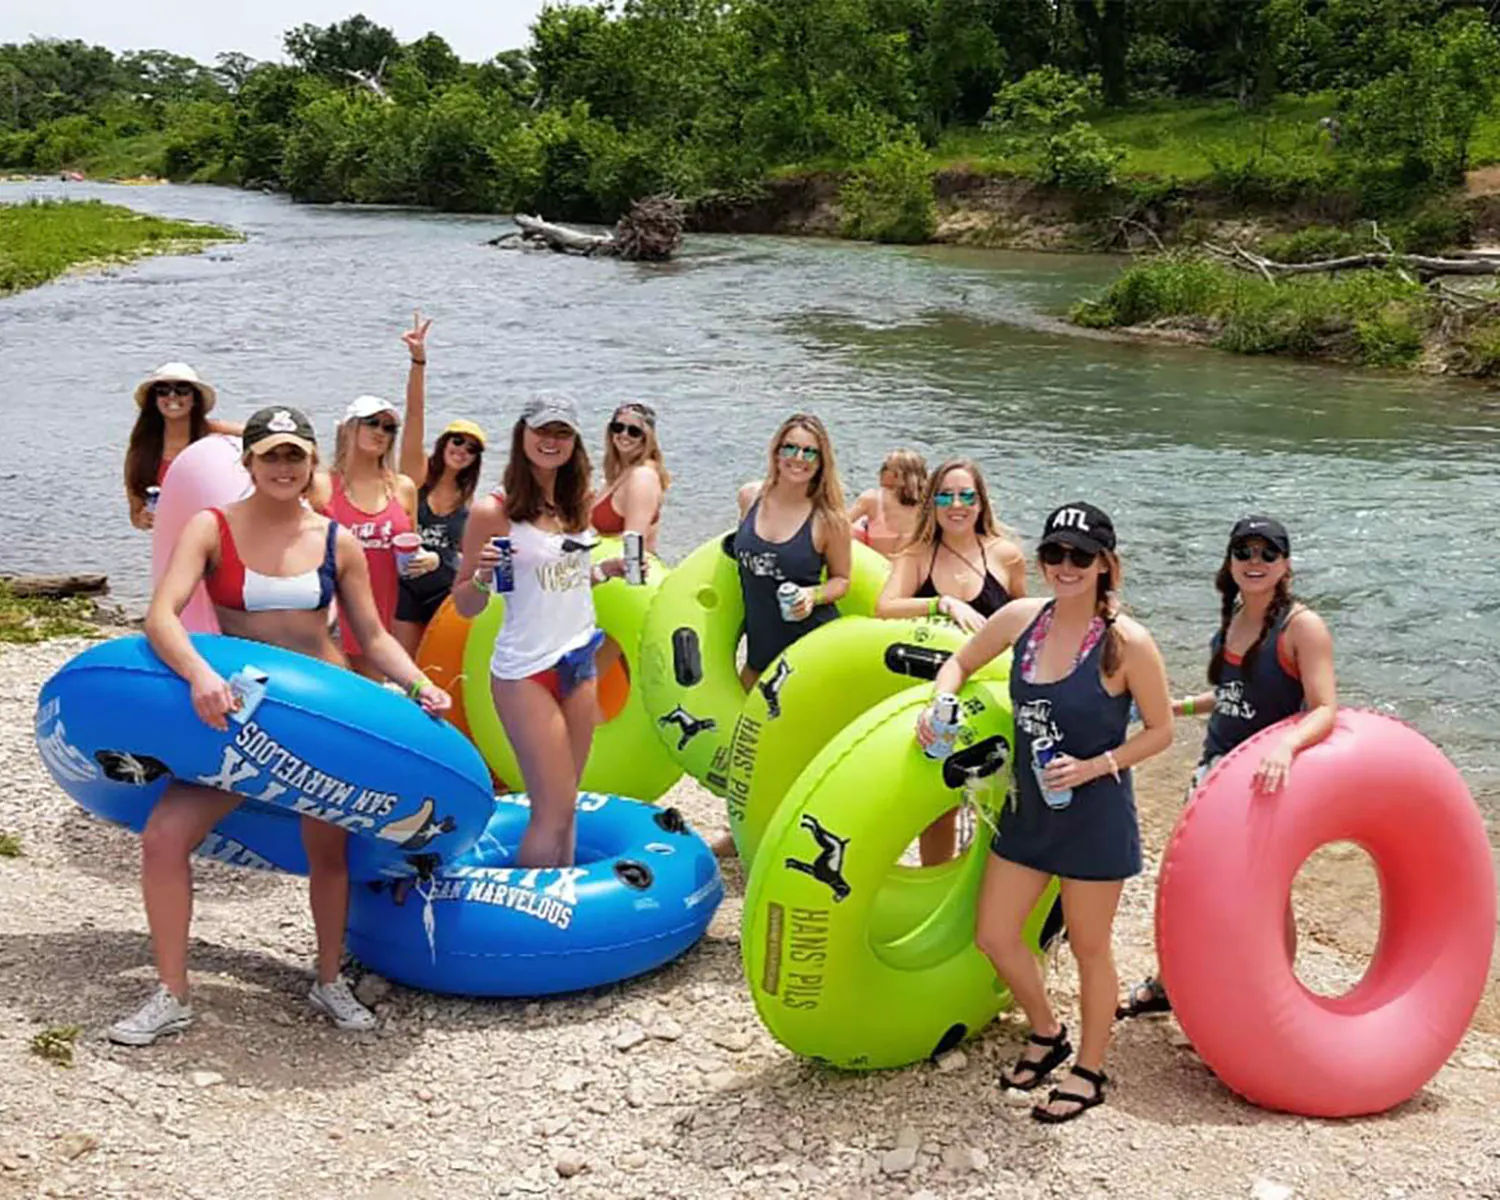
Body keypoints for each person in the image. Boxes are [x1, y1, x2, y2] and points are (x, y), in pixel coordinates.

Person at [111, 406, 451, 1046]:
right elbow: (161, 617)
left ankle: (328, 980)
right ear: (249, 462)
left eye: (295, 455)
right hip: (239, 714)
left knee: (329, 851)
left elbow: (372, 636)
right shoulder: (212, 530)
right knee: (164, 837)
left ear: (312, 462)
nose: (283, 467)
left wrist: (419, 683)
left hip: (323, 715)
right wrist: (198, 676)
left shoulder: (334, 540)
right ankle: (172, 993)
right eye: (271, 455)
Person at [918, 502, 1172, 1123]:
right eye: (1054, 554)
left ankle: (1089, 1070)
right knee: (995, 935)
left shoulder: (1126, 643)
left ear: (1106, 565)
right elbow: (959, 662)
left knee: (1090, 948)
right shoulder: (1020, 618)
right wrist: (941, 702)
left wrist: (1095, 766)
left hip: (1095, 816)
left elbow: (1162, 731)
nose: (1066, 567)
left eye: (1081, 557)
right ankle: (1046, 1029)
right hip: (1029, 812)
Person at [1116, 515, 1337, 1020]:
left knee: (1266, 890)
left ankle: (1276, 1004)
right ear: (1230, 560)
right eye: (1244, 552)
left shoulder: (1301, 627)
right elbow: (1237, 696)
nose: (1254, 562)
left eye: (1267, 553)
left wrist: (1285, 747)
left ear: (1285, 563)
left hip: (1266, 777)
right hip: (1215, 770)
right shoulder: (1236, 616)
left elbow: (1325, 707)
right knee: (1188, 879)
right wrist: (1180, 707)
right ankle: (1170, 982)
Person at [452, 395, 629, 868]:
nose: (551, 441)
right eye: (542, 431)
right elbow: (465, 605)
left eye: (562, 433)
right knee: (550, 811)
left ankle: (564, 899)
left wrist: (604, 569)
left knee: (568, 807)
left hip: (579, 661)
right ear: (522, 435)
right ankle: (532, 916)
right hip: (526, 671)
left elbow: (561, 575)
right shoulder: (495, 511)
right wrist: (483, 576)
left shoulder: (575, 503)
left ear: (574, 442)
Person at [876, 458, 1026, 864]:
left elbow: (1024, 622)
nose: (956, 504)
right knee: (939, 805)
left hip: (992, 696)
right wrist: (942, 603)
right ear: (932, 502)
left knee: (1000, 801)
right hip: (935, 695)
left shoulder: (1005, 556)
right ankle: (936, 877)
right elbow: (884, 607)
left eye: (966, 495)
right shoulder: (918, 555)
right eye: (946, 495)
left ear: (981, 503)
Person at [733, 413, 853, 688]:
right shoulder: (749, 498)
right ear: (776, 453)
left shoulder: (829, 520)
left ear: (821, 462)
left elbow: (842, 580)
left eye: (810, 452)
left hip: (809, 649)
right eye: (790, 447)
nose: (798, 458)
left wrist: (812, 595)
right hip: (759, 650)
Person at [392, 312, 485, 654]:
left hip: (444, 598)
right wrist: (418, 361)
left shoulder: (471, 508)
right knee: (403, 673)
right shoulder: (416, 480)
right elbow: (414, 415)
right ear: (444, 442)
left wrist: (440, 559)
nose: (462, 450)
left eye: (472, 449)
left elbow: (471, 566)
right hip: (406, 590)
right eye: (457, 441)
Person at [310, 396, 418, 678]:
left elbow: (410, 549)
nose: (381, 432)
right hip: (333, 619)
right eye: (372, 423)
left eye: (389, 427)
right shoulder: (321, 485)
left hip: (383, 621)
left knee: (374, 698)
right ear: (349, 427)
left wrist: (427, 560)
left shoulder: (403, 488)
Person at [124, 362, 243, 530]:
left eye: (182, 389)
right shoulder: (142, 450)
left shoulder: (216, 432)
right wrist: (145, 519)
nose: (172, 396)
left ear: (194, 398)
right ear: (155, 400)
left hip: (217, 535)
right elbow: (136, 516)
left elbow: (264, 434)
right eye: (163, 390)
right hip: (172, 538)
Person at [591, 402, 669, 552]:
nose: (624, 435)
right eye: (618, 428)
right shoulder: (620, 472)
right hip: (607, 567)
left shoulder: (642, 477)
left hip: (627, 570)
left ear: (646, 437)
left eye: (634, 431)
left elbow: (634, 544)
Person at [848, 449, 926, 557]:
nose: (879, 472)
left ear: (896, 475)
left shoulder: (871, 499)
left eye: (884, 467)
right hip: (910, 569)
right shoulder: (928, 504)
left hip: (874, 570)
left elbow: (838, 525)